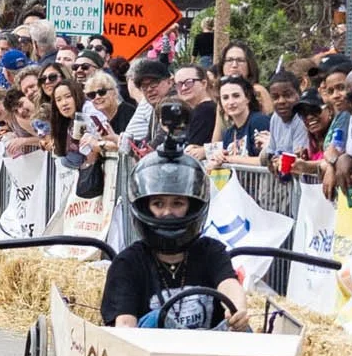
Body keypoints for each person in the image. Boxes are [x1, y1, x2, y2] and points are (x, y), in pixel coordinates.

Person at [102, 118, 247, 332]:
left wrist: (237, 310)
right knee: (155, 318)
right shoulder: (129, 262)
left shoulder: (210, 251)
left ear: (192, 206)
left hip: (209, 355)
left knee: (245, 331)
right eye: (158, 204)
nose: (168, 212)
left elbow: (228, 284)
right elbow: (125, 326)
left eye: (177, 203)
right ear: (145, 206)